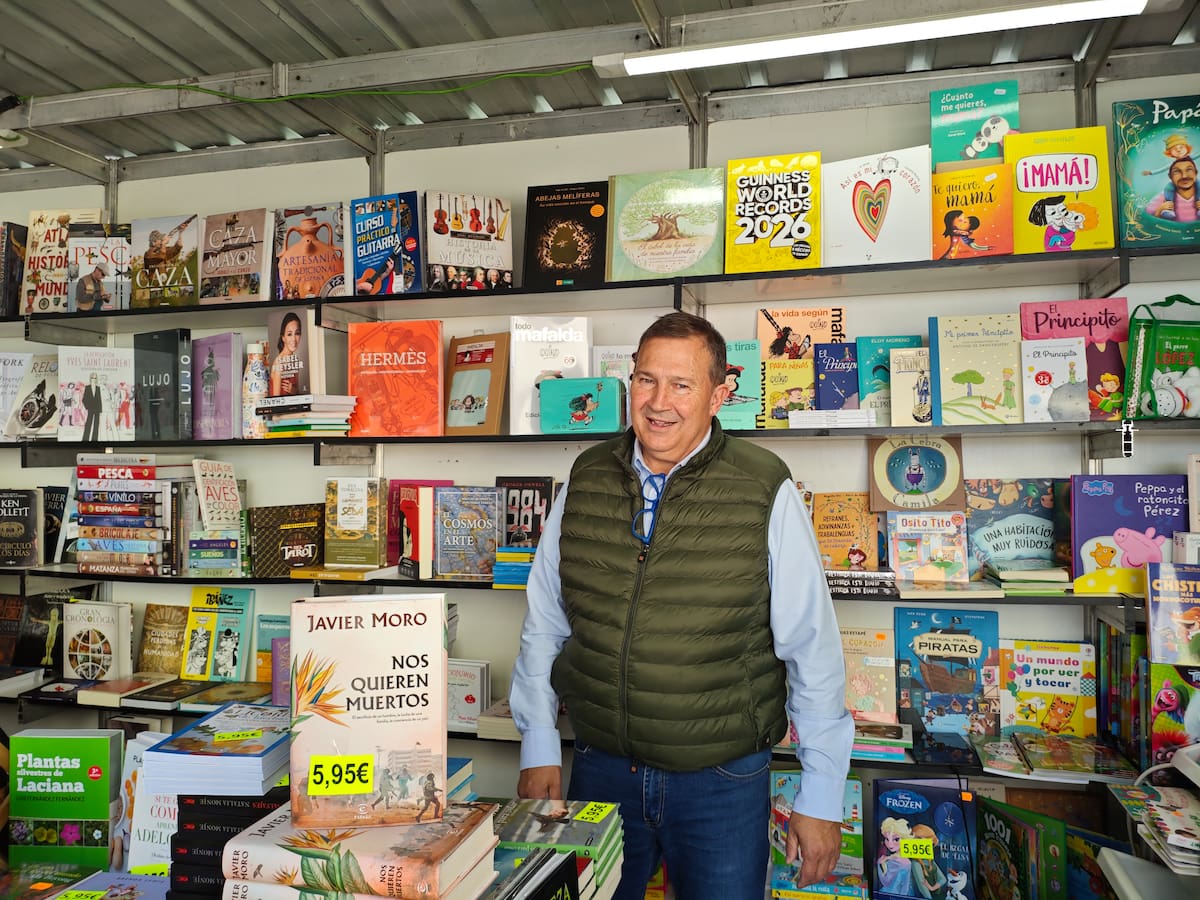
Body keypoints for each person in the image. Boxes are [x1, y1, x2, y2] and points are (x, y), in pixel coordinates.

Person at [510, 311, 852, 900]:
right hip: (601, 772)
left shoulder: (764, 486)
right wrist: (538, 742)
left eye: (682, 385)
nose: (658, 402)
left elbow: (811, 648)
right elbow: (545, 622)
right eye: (646, 380)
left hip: (720, 782)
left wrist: (821, 796)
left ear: (720, 395)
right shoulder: (587, 476)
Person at [1146, 156, 1198, 223]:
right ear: (1170, 176)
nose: (1184, 176)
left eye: (1189, 170)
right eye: (1177, 172)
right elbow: (1146, 222)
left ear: (1196, 173)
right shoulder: (1163, 196)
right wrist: (1159, 210)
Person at [270, 312, 303, 396]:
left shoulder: (295, 360)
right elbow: (276, 400)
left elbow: (297, 394)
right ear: (283, 338)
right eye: (289, 334)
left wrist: (293, 390)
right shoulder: (279, 362)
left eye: (297, 333)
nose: (294, 339)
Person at [82, 372, 103, 442]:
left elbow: (100, 399)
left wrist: (100, 409)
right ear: (90, 378)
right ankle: (85, 439)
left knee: (96, 425)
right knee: (88, 424)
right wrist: (87, 407)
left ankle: (95, 439)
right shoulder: (87, 387)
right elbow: (84, 399)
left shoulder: (98, 388)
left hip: (97, 409)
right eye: (92, 377)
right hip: (90, 409)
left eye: (95, 378)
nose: (93, 379)